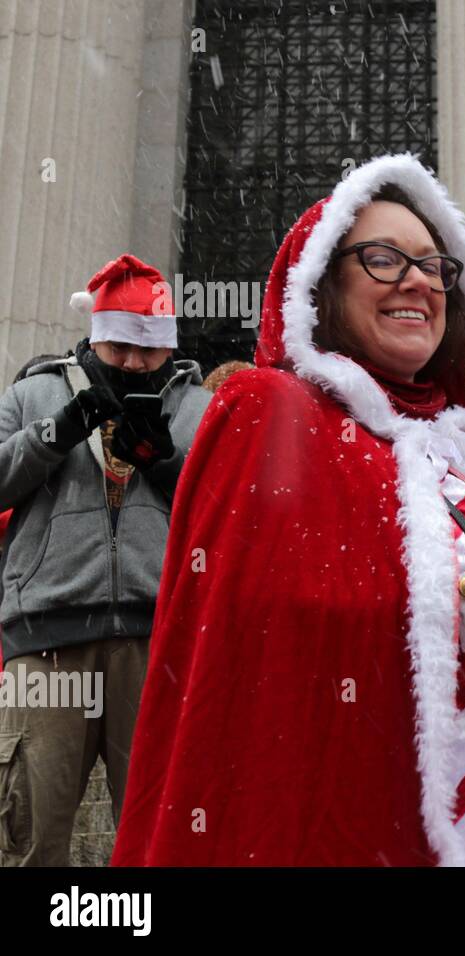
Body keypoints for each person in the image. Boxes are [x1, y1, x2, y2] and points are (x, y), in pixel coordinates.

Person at [111, 154, 465, 866]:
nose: (418, 281)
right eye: (385, 259)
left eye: (434, 266)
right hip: (353, 822)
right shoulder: (268, 411)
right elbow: (280, 637)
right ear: (322, 287)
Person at [0, 256, 211, 866]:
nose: (133, 363)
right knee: (32, 830)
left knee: (160, 840)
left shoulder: (197, 407)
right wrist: (53, 433)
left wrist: (166, 462)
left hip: (159, 641)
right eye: (118, 346)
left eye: (147, 350)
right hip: (46, 640)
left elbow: (229, 514)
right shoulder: (32, 391)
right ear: (96, 336)